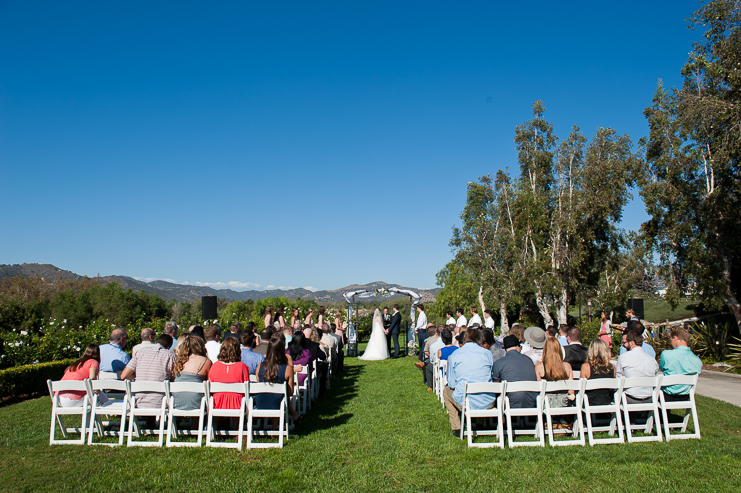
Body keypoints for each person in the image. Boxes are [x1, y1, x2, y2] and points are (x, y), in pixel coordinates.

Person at [443, 328, 495, 435]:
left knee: (446, 391)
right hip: (487, 401)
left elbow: (452, 383)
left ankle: (457, 428)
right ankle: (480, 424)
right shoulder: (488, 354)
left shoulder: (455, 355)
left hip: (466, 401)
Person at [255, 334, 302, 427]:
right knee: (279, 396)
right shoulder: (287, 369)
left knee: (273, 395)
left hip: (260, 403)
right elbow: (290, 392)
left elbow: (258, 384)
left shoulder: (260, 366)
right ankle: (274, 428)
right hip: (277, 404)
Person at [120, 334, 177, 409]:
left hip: (138, 400)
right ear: (169, 347)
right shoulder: (171, 356)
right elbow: (175, 378)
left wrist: (140, 374)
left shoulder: (140, 352)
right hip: (160, 402)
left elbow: (124, 375)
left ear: (156, 341)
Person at [491, 335, 538, 409]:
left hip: (510, 404)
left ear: (505, 349)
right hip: (532, 402)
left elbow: (496, 386)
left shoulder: (499, 363)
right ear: (517, 347)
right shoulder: (528, 360)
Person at [615, 329, 659, 403]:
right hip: (649, 398)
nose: (623, 345)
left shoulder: (623, 357)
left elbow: (618, 380)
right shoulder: (652, 360)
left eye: (624, 343)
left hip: (629, 398)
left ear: (632, 343)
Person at [659, 327, 702, 401]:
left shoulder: (666, 355)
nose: (671, 343)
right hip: (686, 396)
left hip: (667, 395)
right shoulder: (697, 360)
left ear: (675, 338)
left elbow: (662, 368)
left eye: (671, 340)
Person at [172, 334, 211, 411]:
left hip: (175, 401)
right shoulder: (206, 361)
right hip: (196, 402)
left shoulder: (178, 361)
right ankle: (196, 423)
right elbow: (209, 382)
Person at [535, 338, 574, 413]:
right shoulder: (567, 366)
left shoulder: (539, 367)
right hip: (564, 404)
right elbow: (571, 391)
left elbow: (539, 391)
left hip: (547, 404)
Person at [580, 338, 616, 406]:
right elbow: (611, 388)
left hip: (590, 401)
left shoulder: (586, 367)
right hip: (606, 400)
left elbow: (581, 387)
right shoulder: (612, 367)